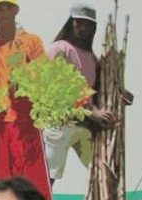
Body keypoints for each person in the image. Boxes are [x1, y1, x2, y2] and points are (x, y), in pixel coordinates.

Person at [0, 0, 53, 200]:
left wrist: (26, 79)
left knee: (34, 184)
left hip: (25, 122)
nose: (4, 12)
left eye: (8, 7)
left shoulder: (31, 42)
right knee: (2, 182)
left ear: (16, 10)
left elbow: (44, 75)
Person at [44, 3, 115, 186]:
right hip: (60, 124)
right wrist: (91, 111)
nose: (83, 28)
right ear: (71, 23)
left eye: (88, 24)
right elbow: (53, 88)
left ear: (94, 28)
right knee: (46, 180)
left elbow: (97, 88)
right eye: (79, 23)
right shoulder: (59, 49)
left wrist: (120, 95)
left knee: (102, 173)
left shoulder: (90, 57)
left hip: (84, 125)